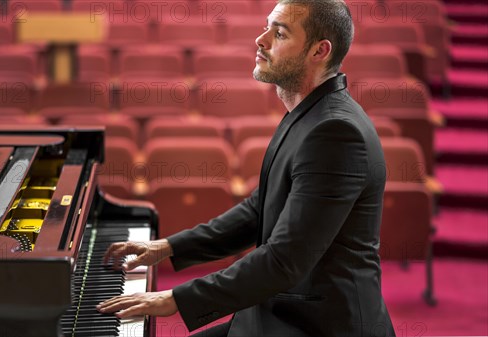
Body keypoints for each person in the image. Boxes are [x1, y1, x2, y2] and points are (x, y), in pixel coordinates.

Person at [97, 0, 396, 336]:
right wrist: (168, 248)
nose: (261, 39)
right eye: (267, 27)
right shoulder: (310, 114)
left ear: (319, 51)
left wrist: (175, 298)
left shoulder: (336, 133)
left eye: (279, 33)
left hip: (316, 324)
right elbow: (260, 208)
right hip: (278, 310)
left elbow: (284, 260)